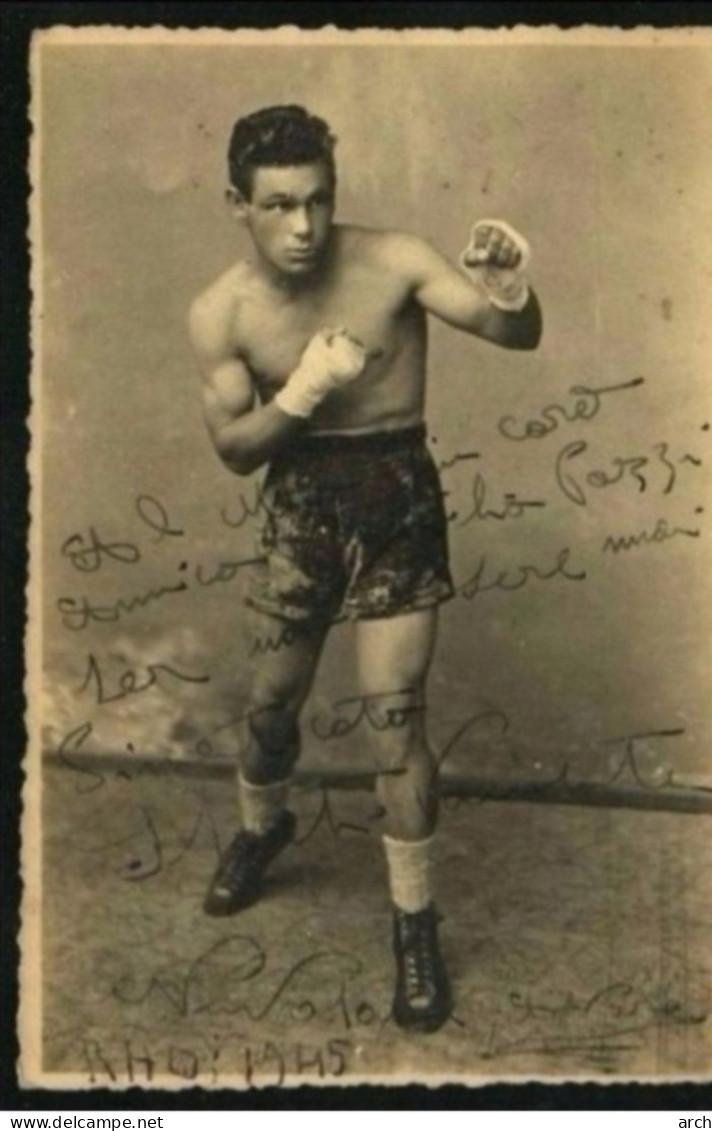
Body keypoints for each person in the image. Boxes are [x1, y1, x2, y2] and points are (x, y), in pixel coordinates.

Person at [188, 104, 542, 1034]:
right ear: (239, 203)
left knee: (396, 725)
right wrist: (304, 388)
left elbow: (515, 336)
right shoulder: (221, 310)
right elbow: (234, 447)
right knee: (271, 712)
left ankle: (414, 924)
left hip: (397, 501)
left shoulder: (393, 259)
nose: (303, 227)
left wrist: (509, 288)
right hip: (298, 509)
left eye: (318, 201)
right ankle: (264, 827)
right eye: (278, 205)